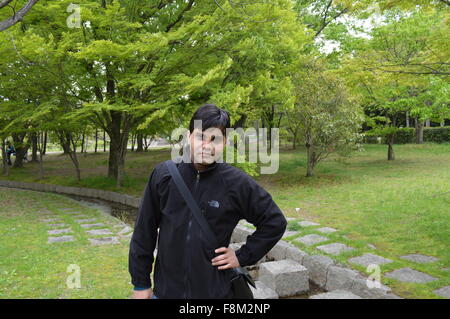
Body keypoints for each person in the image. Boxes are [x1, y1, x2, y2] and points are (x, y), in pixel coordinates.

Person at [128, 104, 287, 299]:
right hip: (166, 291)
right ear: (188, 136)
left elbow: (275, 221)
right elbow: (144, 231)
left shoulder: (236, 183)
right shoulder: (164, 175)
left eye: (215, 139)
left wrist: (242, 256)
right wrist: (141, 283)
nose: (207, 145)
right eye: (200, 136)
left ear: (225, 142)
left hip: (215, 293)